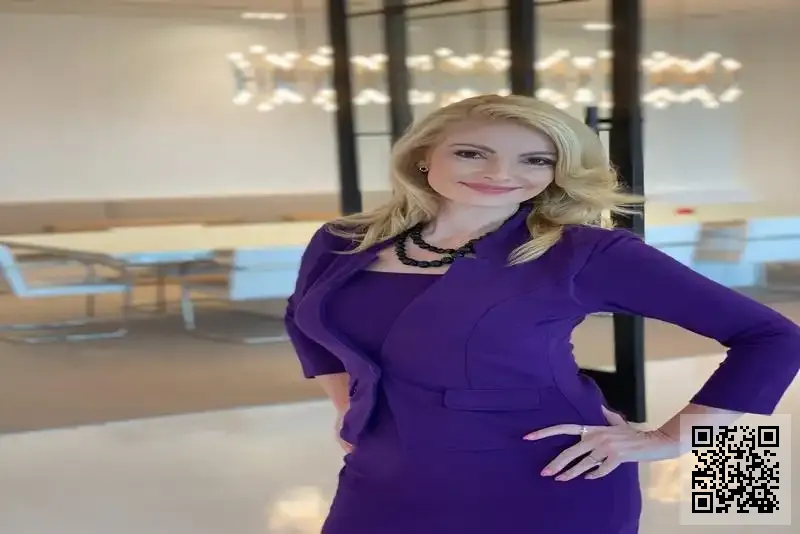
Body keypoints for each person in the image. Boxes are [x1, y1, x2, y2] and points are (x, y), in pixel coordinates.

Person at [284, 94, 800, 534]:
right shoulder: (345, 240)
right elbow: (303, 320)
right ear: (423, 156)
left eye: (535, 160)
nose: (500, 174)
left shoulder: (584, 252)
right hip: (382, 475)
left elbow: (772, 337)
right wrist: (348, 404)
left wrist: (672, 439)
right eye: (471, 153)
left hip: (545, 474)